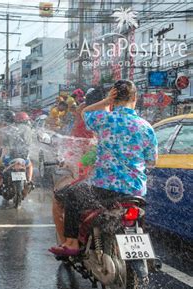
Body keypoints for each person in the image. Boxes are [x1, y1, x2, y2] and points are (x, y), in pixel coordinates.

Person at [49, 80, 158, 256]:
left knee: (71, 195)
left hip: (104, 190)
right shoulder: (146, 127)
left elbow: (84, 112)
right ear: (135, 97)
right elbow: (152, 161)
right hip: (136, 192)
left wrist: (105, 102)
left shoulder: (104, 119)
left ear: (112, 98)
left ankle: (72, 243)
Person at [50, 87, 103, 245]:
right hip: (132, 189)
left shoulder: (87, 115)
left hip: (94, 178)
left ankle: (68, 243)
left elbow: (80, 144)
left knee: (60, 197)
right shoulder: (130, 124)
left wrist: (67, 158)